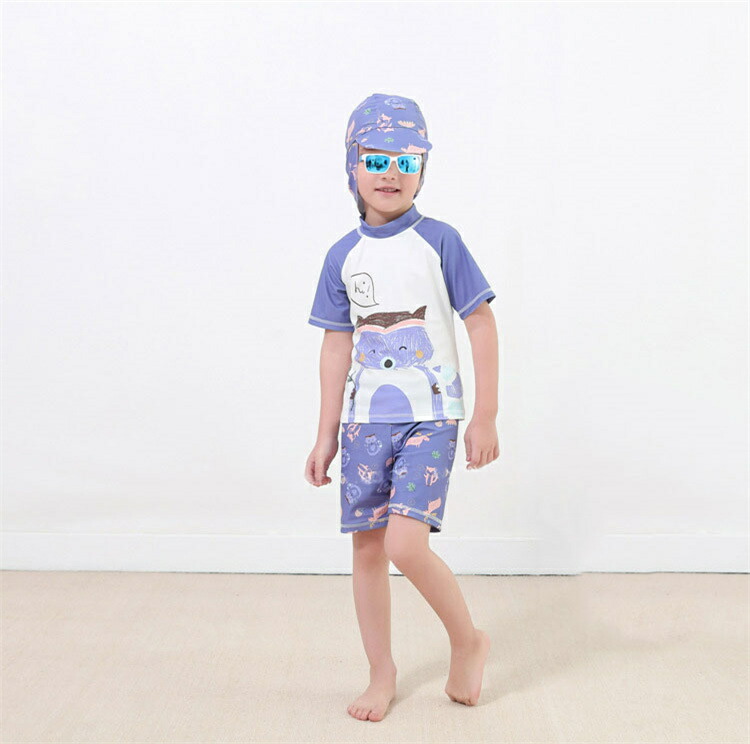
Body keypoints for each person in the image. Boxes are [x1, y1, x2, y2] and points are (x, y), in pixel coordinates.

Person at [304, 93, 498, 721]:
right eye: (377, 159)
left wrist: (485, 415)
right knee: (367, 549)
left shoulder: (440, 241)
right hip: (363, 423)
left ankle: (467, 640)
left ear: (422, 169)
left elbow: (480, 322)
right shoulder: (342, 255)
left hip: (430, 417)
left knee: (405, 545)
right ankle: (380, 673)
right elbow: (337, 346)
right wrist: (325, 433)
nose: (391, 173)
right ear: (353, 166)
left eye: (406, 161)